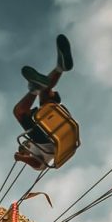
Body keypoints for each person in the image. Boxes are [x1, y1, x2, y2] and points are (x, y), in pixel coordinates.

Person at [13, 35, 73, 170]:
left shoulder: (33, 143)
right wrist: (21, 158)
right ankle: (35, 89)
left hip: (53, 127)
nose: (25, 148)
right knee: (20, 112)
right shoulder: (41, 158)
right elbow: (38, 164)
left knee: (45, 94)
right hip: (49, 140)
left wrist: (24, 152)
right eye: (24, 149)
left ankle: (60, 68)